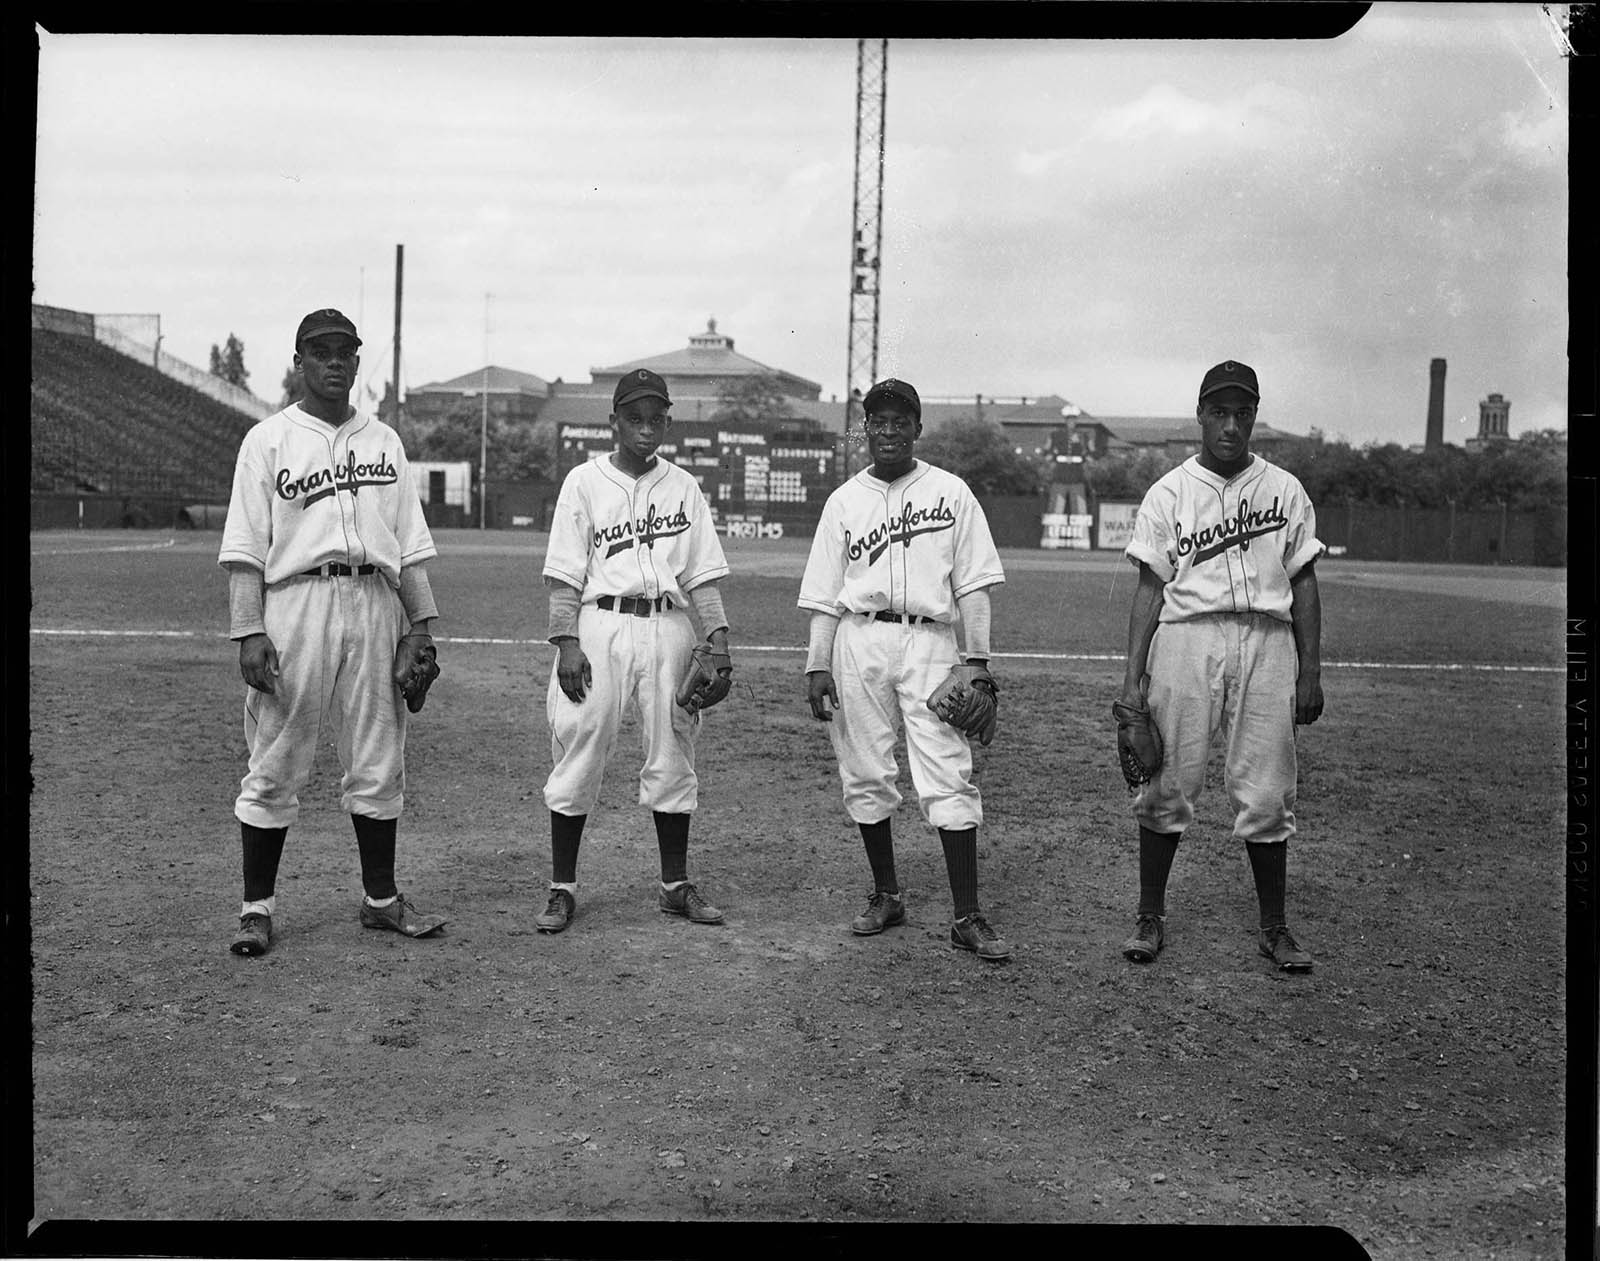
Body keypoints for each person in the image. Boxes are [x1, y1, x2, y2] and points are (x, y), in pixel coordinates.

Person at [218, 308, 446, 957]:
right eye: (320, 350)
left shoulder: (385, 442)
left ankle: (380, 899)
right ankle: (255, 907)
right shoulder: (267, 441)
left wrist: (421, 629)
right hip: (296, 601)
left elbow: (409, 547)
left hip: (376, 598)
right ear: (298, 361)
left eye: (346, 349)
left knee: (379, 753)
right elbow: (243, 550)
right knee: (277, 754)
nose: (336, 361)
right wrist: (248, 630)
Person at [1116, 359, 1325, 972]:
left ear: (1253, 416)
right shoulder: (1170, 492)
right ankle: (1149, 917)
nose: (1230, 424)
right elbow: (1150, 590)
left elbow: (1305, 582)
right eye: (1219, 412)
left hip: (1267, 642)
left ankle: (1274, 928)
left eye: (1243, 412)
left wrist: (1309, 671)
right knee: (1166, 782)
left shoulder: (1285, 490)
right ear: (1201, 416)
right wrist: (1132, 680)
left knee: (1267, 789)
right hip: (1186, 638)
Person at [799, 377, 1013, 961]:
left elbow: (972, 586)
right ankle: (887, 894)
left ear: (918, 428)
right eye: (879, 421)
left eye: (901, 421)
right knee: (865, 770)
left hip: (931, 644)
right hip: (858, 639)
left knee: (947, 771)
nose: (889, 430)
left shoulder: (951, 493)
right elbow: (823, 595)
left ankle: (966, 915)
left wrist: (978, 664)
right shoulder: (844, 501)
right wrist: (818, 663)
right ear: (866, 428)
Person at [534, 368, 735, 934]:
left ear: (668, 421)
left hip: (668, 626)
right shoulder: (584, 482)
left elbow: (703, 576)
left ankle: (675, 886)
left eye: (656, 419)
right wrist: (566, 642)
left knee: (674, 746)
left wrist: (718, 641)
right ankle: (562, 888)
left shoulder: (684, 487)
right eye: (634, 419)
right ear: (614, 421)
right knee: (582, 741)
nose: (646, 429)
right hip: (601, 626)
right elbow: (564, 576)